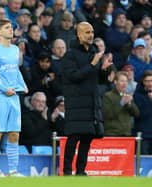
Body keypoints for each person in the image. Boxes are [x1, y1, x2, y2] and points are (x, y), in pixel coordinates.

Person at [61, 22, 112, 176]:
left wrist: (103, 70)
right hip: (76, 103)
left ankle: (81, 171)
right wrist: (92, 64)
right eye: (87, 32)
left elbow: (97, 80)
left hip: (91, 103)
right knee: (73, 138)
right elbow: (73, 76)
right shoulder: (70, 55)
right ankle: (67, 171)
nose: (91, 35)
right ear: (78, 34)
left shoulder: (94, 53)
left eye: (92, 32)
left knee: (87, 139)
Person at [0, 19, 28, 176]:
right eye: (7, 28)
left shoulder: (16, 50)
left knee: (14, 133)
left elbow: (16, 70)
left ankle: (13, 171)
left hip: (13, 97)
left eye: (11, 27)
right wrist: (4, 89)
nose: (11, 30)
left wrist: (23, 84)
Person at [103, 71, 139, 137]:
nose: (124, 84)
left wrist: (130, 104)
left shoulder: (127, 95)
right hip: (112, 134)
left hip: (126, 133)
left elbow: (136, 114)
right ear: (115, 82)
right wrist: (121, 103)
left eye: (126, 81)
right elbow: (108, 114)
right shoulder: (108, 96)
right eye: (122, 81)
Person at [133, 70, 152, 155]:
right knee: (143, 160)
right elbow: (139, 115)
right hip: (143, 135)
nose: (150, 83)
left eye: (151, 81)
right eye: (147, 81)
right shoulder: (137, 95)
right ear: (143, 82)